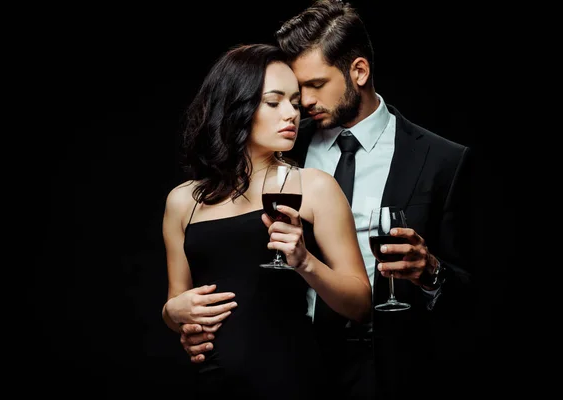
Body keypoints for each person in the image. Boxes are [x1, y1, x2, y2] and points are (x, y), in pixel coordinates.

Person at [180, 1, 476, 399]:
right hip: (297, 357)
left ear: (359, 71)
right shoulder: (281, 142)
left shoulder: (442, 160)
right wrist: (186, 320)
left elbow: (479, 290)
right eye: (295, 89)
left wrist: (433, 272)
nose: (302, 102)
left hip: (396, 364)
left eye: (315, 85)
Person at [161, 42, 372, 399]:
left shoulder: (315, 187)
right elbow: (177, 304)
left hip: (292, 380)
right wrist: (171, 312)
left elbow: (361, 304)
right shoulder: (183, 200)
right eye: (273, 102)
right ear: (235, 105)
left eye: (293, 102)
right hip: (211, 384)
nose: (291, 114)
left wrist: (305, 262)